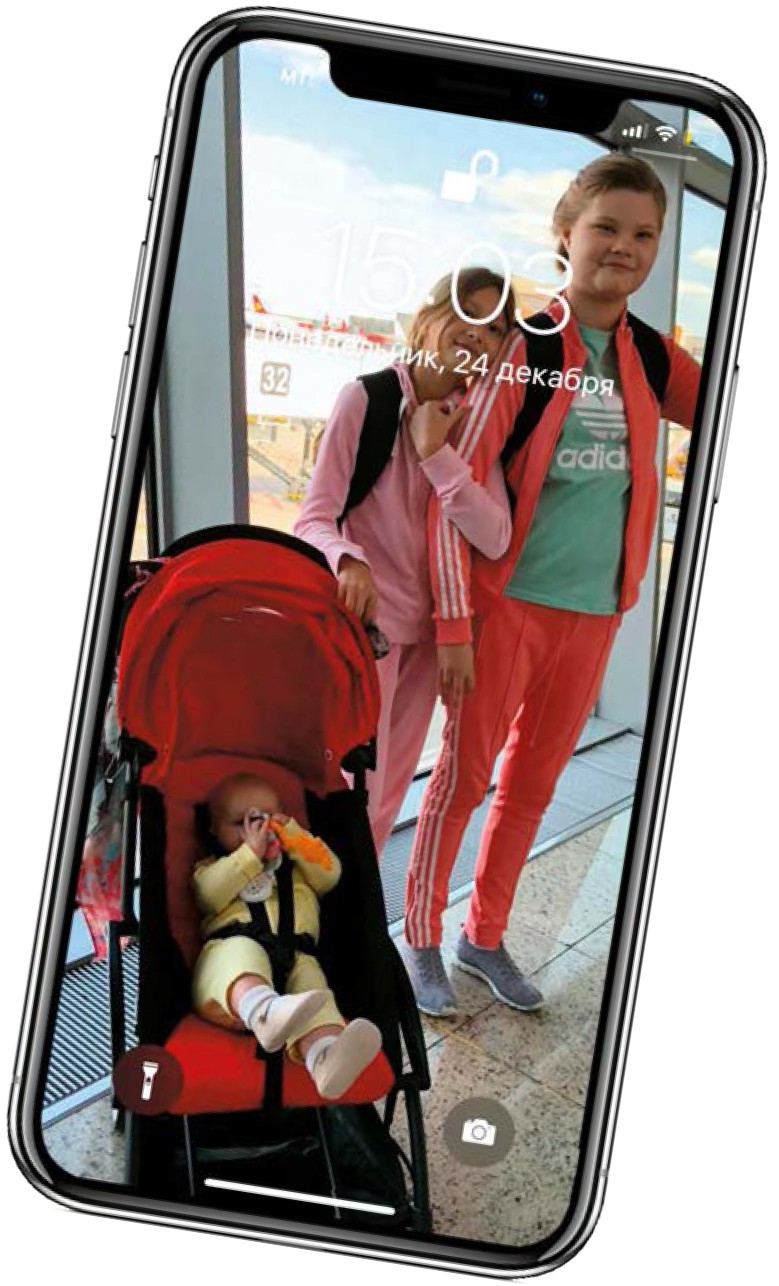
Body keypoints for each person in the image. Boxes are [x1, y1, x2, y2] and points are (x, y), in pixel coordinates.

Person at [403, 154, 701, 1015]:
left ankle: (482, 937)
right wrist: (455, 628)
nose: (623, 247)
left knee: (531, 785)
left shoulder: (651, 355)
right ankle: (418, 937)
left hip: (594, 612)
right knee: (462, 780)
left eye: (643, 234)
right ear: (565, 235)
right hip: (506, 609)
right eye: (605, 227)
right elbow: (451, 491)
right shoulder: (527, 350)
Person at [294, 268, 516, 854]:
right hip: (366, 632)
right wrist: (348, 561)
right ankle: (328, 892)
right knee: (351, 784)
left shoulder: (472, 424)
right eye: (466, 314)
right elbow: (314, 517)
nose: (478, 334)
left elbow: (495, 536)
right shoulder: (366, 400)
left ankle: (359, 896)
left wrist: (436, 453)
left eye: (495, 328)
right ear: (427, 319)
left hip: (430, 638)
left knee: (390, 791)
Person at [191, 773, 382, 1100]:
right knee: (239, 955)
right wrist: (248, 855)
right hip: (229, 983)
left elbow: (330, 874)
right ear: (213, 830)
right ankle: (264, 1011)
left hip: (295, 959)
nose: (257, 829)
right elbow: (208, 896)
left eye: (268, 819)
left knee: (315, 990)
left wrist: (294, 837)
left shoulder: (296, 869)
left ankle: (325, 1057)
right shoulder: (211, 868)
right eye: (240, 823)